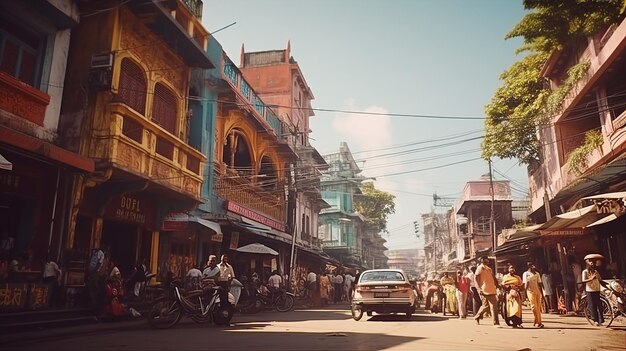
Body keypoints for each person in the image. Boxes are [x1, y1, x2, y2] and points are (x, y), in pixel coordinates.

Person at [474, 256, 499, 326]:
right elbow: (475, 278)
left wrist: (497, 284)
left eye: (487, 259)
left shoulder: (489, 269)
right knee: (485, 306)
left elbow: (493, 277)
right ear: (482, 260)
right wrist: (478, 288)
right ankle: (477, 316)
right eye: (485, 259)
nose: (487, 260)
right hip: (484, 289)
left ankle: (496, 322)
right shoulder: (480, 268)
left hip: (491, 289)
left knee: (494, 306)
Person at [582, 256, 604, 326]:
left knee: (599, 305)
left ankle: (601, 320)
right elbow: (583, 280)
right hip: (590, 290)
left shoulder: (595, 271)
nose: (592, 264)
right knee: (593, 305)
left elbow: (600, 279)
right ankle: (595, 320)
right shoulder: (584, 272)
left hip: (597, 289)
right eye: (590, 263)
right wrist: (591, 278)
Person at [523, 261, 544, 328]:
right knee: (534, 306)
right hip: (530, 291)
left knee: (538, 307)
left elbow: (540, 283)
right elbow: (526, 284)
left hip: (537, 291)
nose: (533, 267)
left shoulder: (537, 274)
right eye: (531, 266)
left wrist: (542, 292)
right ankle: (538, 322)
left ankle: (538, 321)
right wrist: (524, 293)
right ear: (529, 266)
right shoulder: (526, 274)